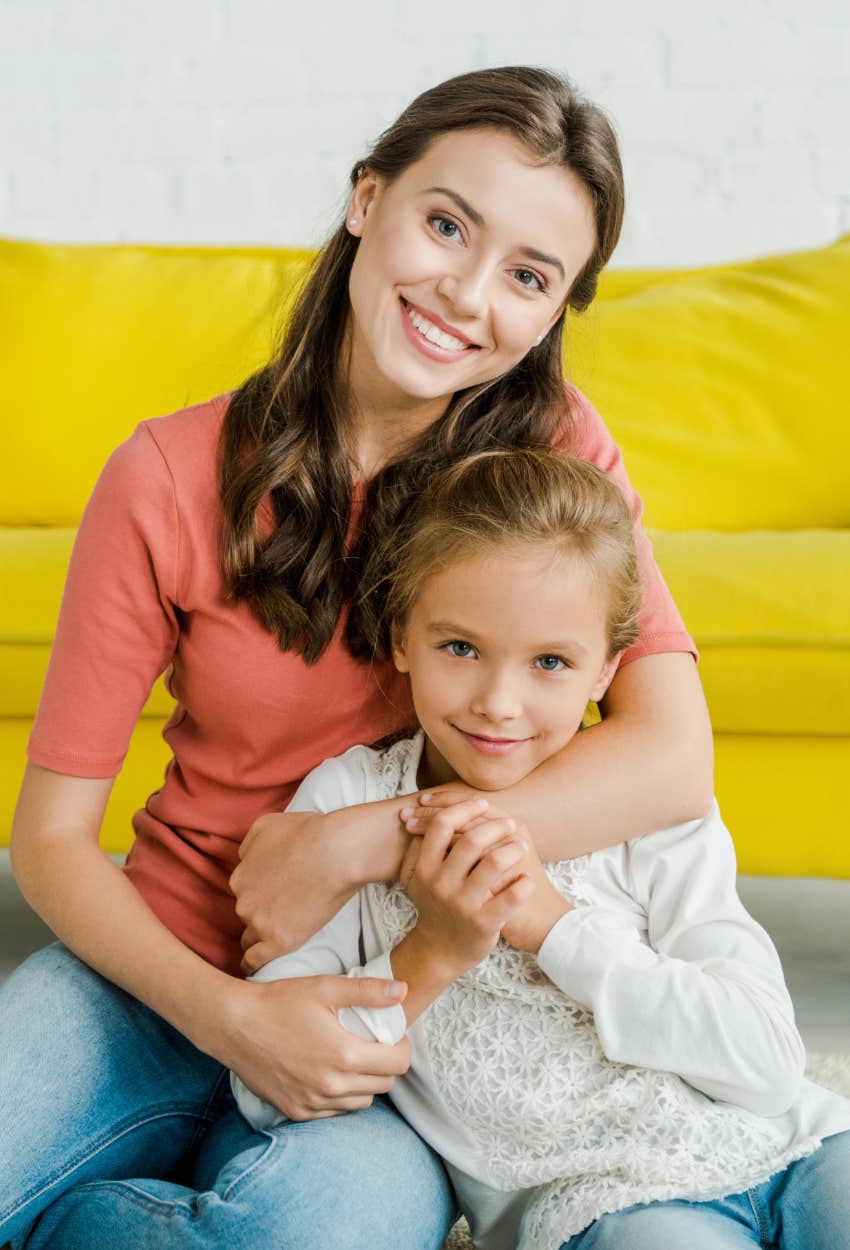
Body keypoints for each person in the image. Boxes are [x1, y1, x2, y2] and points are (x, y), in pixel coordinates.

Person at [1, 67, 711, 1248]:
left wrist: (346, 844)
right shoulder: (166, 473)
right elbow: (52, 838)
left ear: (552, 312)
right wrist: (230, 1015)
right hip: (155, 971)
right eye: (445, 224)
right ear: (365, 198)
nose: (465, 295)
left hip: (395, 1017)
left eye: (527, 276)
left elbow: (671, 756)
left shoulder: (557, 459)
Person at [231, 449, 850, 1250]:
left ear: (607, 670)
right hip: (609, 1206)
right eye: (460, 648)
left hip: (802, 1147)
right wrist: (432, 954)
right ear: (400, 637)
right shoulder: (346, 805)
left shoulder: (642, 805)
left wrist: (553, 926)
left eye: (551, 662)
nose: (498, 704)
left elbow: (767, 1062)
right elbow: (268, 1089)